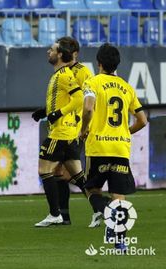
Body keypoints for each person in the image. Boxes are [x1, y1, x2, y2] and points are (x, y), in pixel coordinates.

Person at [79, 43, 147, 250]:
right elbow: (142, 120)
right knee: (119, 195)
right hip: (120, 149)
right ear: (117, 64)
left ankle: (107, 210)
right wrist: (126, 132)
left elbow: (88, 108)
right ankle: (120, 242)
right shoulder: (127, 87)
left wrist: (84, 128)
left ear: (98, 63)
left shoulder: (92, 82)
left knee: (91, 188)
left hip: (98, 147)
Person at [33, 36, 93, 226]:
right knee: (64, 173)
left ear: (71, 53)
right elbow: (66, 99)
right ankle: (67, 215)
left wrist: (81, 126)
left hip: (76, 129)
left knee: (62, 173)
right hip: (65, 126)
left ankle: (63, 214)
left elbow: (86, 100)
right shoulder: (62, 73)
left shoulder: (82, 72)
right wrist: (47, 111)